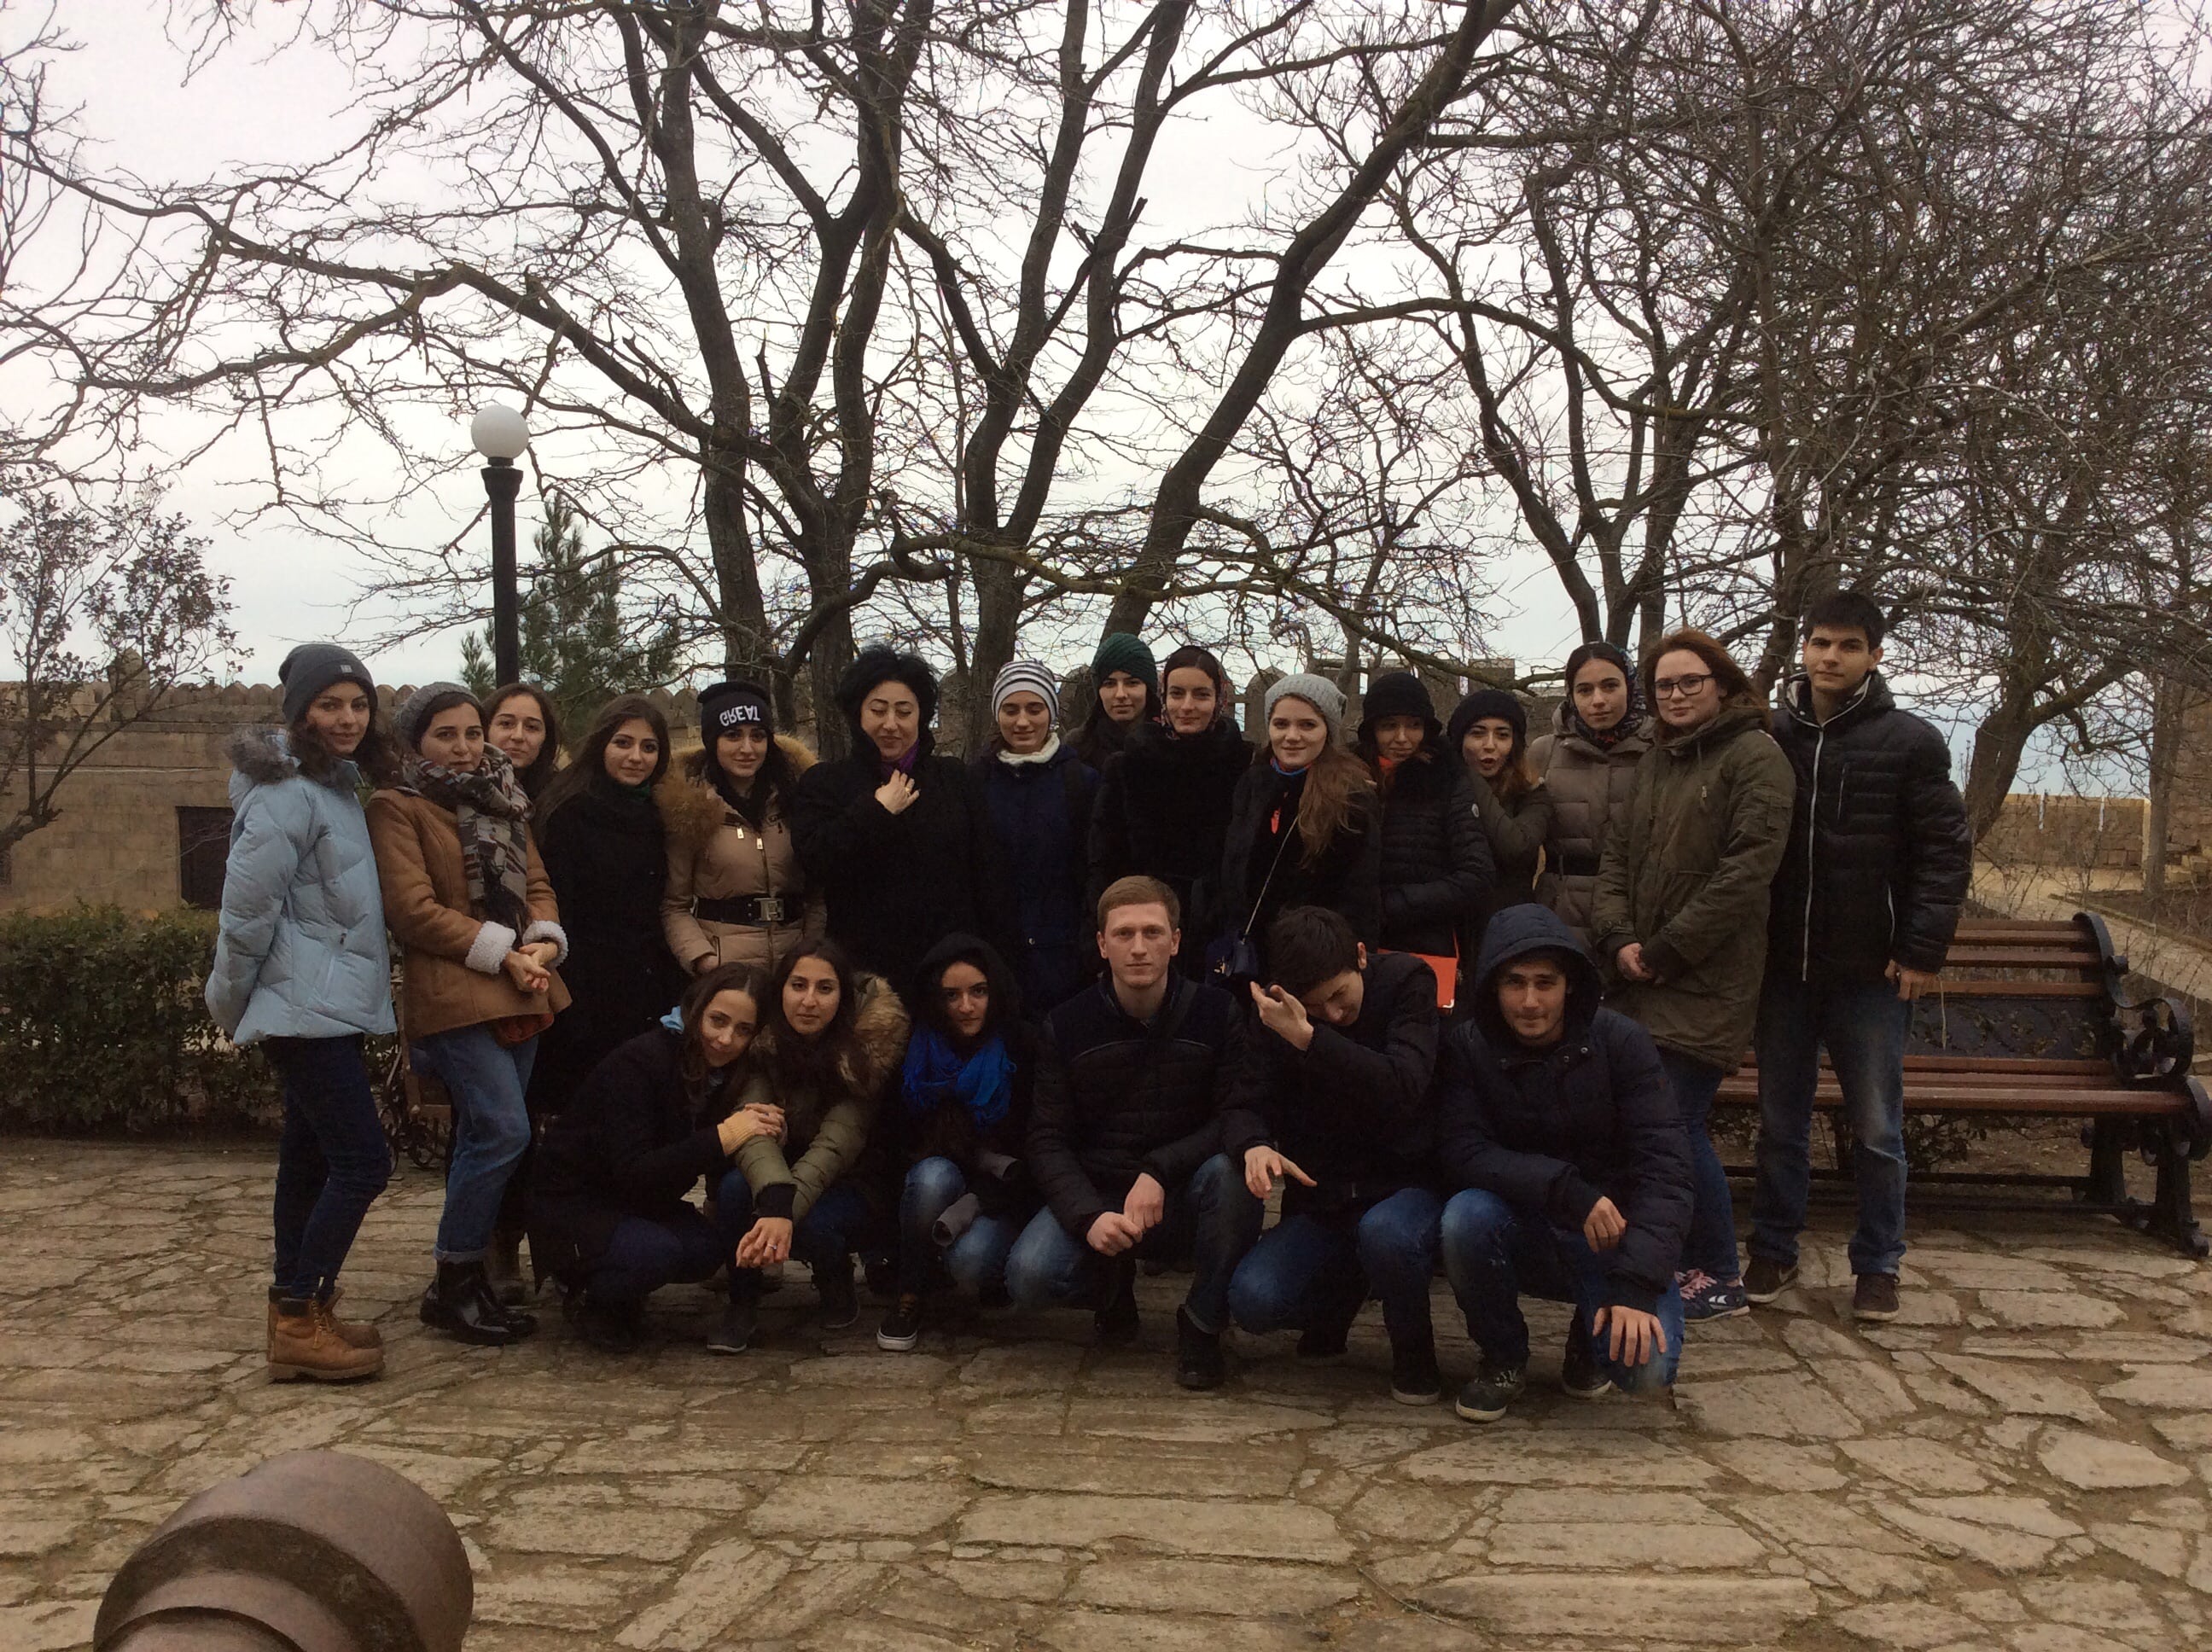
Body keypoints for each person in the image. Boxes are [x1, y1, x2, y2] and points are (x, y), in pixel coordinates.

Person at [1749, 592, 1971, 1322]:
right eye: (1820, 642)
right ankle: (1773, 1248)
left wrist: (1921, 949)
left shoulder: (1910, 742)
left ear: (1874, 656)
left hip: (1871, 974)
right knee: (1780, 1123)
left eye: (1848, 645)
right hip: (1783, 969)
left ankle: (1878, 1264)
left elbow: (1943, 853)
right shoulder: (1770, 735)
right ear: (1803, 649)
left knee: (1876, 1129)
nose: (1831, 657)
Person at [207, 643, 399, 1382]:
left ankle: (296, 1309)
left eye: (358, 704)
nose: (348, 718)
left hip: (327, 1006)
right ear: (299, 714)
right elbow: (244, 915)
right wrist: (231, 1004)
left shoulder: (333, 786)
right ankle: (298, 1314)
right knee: (364, 1162)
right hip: (300, 1009)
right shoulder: (286, 794)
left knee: (310, 1157)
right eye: (330, 705)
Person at [1591, 629, 1794, 1323]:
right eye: (1664, 686)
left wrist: (1668, 949)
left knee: (1674, 1123)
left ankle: (1717, 1269)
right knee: (1653, 1122)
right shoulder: (1658, 758)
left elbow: (1747, 871)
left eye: (1689, 682)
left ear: (1723, 684)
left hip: (1707, 977)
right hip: (1640, 972)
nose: (1675, 696)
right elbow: (1617, 856)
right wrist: (1619, 937)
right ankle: (1674, 1256)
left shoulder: (1755, 756)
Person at [368, 683, 570, 1347]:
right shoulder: (397, 807)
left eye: (472, 733)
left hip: (523, 984)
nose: (463, 748)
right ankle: (455, 1278)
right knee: (502, 1130)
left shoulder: (503, 798)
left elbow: (536, 883)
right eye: (445, 735)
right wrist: (503, 953)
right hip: (455, 993)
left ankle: (465, 1280)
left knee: (495, 1135)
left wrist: (543, 942)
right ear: (415, 741)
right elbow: (413, 909)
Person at [1433, 905, 1691, 1422]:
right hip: (1525, 1220)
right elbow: (1463, 1150)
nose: (1530, 1002)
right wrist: (1567, 1190)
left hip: (1611, 1235)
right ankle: (1503, 1357)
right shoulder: (1468, 1045)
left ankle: (1587, 1337)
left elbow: (1666, 1168)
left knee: (1647, 1371)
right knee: (1464, 1217)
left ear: (1569, 986)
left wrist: (1637, 1283)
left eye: (1545, 983)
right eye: (1514, 983)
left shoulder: (1623, 1042)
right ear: (1493, 987)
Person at [1008, 876, 1261, 1390]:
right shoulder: (1066, 1024)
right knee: (1030, 1275)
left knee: (1235, 1173)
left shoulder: (1218, 1014)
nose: (1139, 948)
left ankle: (1202, 1323)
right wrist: (1088, 1216)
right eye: (1124, 934)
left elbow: (1234, 1114)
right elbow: (1047, 1139)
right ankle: (1111, 1287)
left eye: (1153, 932)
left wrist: (1159, 1170)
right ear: (1102, 944)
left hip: (1186, 1188)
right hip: (1101, 1189)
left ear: (1176, 940)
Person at [1220, 906, 1447, 1401]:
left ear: (1361, 956)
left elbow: (1403, 1085)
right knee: (1253, 1300)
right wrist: (1253, 1144)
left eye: (1340, 996)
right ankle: (1342, 1292)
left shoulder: (1408, 980)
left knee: (1385, 1234)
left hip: (1405, 1184)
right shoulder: (1276, 1014)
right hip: (1324, 1196)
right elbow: (1243, 1101)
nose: (1334, 1014)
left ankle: (1414, 1353)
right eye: (1316, 1007)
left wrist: (1309, 1037)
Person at [527, 963, 778, 1352]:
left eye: (743, 1030)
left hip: (637, 1202)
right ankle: (589, 1295)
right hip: (574, 1202)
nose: (726, 1039)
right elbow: (634, 1170)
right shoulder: (642, 1062)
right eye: (717, 1020)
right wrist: (725, 1135)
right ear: (696, 1010)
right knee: (657, 1253)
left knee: (704, 1250)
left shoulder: (723, 1074)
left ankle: (622, 1287)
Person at [710, 940, 911, 1352]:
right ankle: (742, 1301)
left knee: (815, 1225)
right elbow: (753, 1124)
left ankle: (834, 1275)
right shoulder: (764, 1041)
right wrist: (775, 1200)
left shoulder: (865, 1050)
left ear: (842, 996)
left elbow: (836, 1144)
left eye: (825, 988)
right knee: (732, 1190)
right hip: (782, 1170)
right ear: (781, 989)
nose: (809, 1001)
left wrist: (781, 1212)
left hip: (854, 1180)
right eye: (798, 985)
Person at [790, 646, 1007, 999]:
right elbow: (815, 861)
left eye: (904, 712)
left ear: (921, 717)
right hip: (865, 976)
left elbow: (988, 875)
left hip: (949, 974)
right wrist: (874, 811)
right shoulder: (826, 783)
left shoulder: (954, 779)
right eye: (878, 710)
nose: (891, 724)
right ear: (858, 714)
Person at [877, 934, 1039, 1352]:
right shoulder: (914, 1050)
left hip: (1002, 1192)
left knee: (971, 1261)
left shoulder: (1023, 1045)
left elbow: (1038, 1146)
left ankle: (983, 1275)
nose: (966, 1006)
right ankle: (910, 1292)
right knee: (931, 1178)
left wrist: (979, 1199)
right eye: (952, 995)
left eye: (978, 992)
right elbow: (895, 1142)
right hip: (933, 1178)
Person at [528, 695, 685, 1115]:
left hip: (649, 986)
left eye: (649, 747)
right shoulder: (569, 812)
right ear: (601, 744)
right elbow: (561, 907)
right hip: (588, 989)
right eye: (623, 743)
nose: (636, 757)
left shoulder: (661, 814)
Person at [1088, 643, 1254, 974]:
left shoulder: (1245, 766)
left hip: (1221, 935)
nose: (1187, 706)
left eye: (1201, 695)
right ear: (1163, 697)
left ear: (1219, 699)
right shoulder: (1130, 765)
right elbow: (1104, 862)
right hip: (1145, 933)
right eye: (1177, 694)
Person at [1217, 675, 1382, 969]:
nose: (1292, 736)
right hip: (1247, 954)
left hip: (1314, 960)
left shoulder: (1351, 796)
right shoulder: (1252, 783)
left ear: (1327, 730)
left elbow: (1360, 898)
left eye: (1307, 725)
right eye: (1281, 724)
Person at [660, 679, 818, 979]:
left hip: (793, 973)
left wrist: (810, 954)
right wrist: (705, 961)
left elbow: (816, 896)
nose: (747, 748)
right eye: (733, 735)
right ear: (713, 741)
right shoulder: (690, 808)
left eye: (758, 736)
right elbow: (674, 906)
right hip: (725, 977)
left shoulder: (798, 800)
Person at [1355, 671, 1494, 1006]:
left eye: (1414, 726)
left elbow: (1477, 875)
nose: (1402, 738)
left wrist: (1395, 904)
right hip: (1356, 948)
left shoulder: (1446, 781)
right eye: (1389, 726)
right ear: (1372, 730)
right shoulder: (1347, 779)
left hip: (1426, 945)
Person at [973, 660, 1098, 1015]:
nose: (1023, 721)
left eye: (1034, 708)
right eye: (1011, 710)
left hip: (1066, 958)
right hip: (995, 956)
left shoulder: (1081, 781)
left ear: (1051, 713)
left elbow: (1092, 869)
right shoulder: (976, 782)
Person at [1530, 643, 1655, 944]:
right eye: (1585, 690)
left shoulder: (1661, 749)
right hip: (1561, 912)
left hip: (1640, 909)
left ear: (1630, 686)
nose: (1598, 700)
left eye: (1610, 686)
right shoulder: (1545, 752)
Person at [1449, 688, 1553, 934]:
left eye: (1502, 735)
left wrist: (1466, 776)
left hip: (1509, 929)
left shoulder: (1532, 794)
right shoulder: (1439, 791)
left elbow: (1517, 847)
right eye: (1477, 734)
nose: (1489, 745)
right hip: (1451, 928)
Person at [1070, 631, 1161, 771]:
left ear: (1148, 689)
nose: (1120, 695)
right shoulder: (1075, 750)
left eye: (1132, 683)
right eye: (1109, 684)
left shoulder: (1172, 746)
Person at [484, 683, 562, 805]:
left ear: (546, 737)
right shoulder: (460, 790)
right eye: (506, 724)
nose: (518, 736)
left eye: (531, 727)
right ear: (485, 728)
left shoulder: (562, 799)